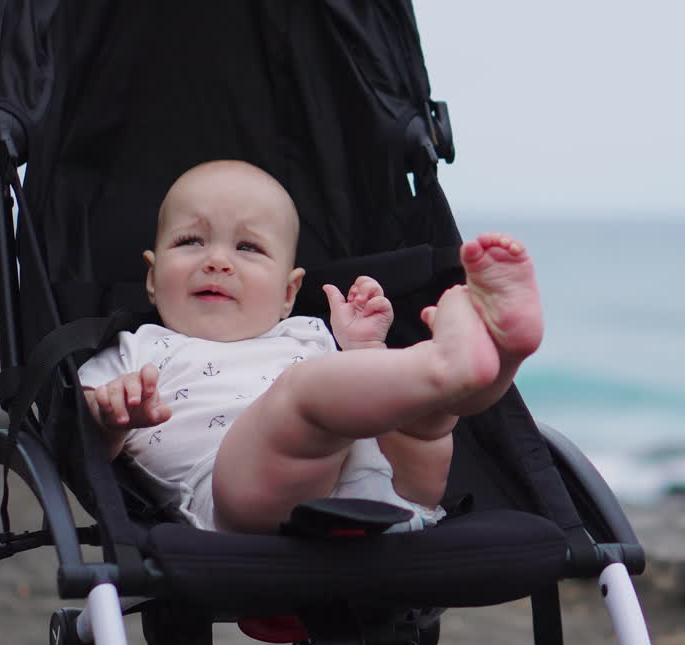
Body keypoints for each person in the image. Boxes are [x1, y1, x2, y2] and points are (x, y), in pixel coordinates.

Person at [77, 160, 543, 534]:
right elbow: (78, 437)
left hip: (387, 490)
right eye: (190, 241)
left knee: (419, 424)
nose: (217, 261)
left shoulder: (308, 334)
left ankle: (487, 365)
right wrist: (111, 415)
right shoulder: (135, 350)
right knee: (303, 394)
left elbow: (360, 405)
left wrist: (364, 351)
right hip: (242, 496)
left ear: (287, 292)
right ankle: (453, 363)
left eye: (248, 249)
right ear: (152, 279)